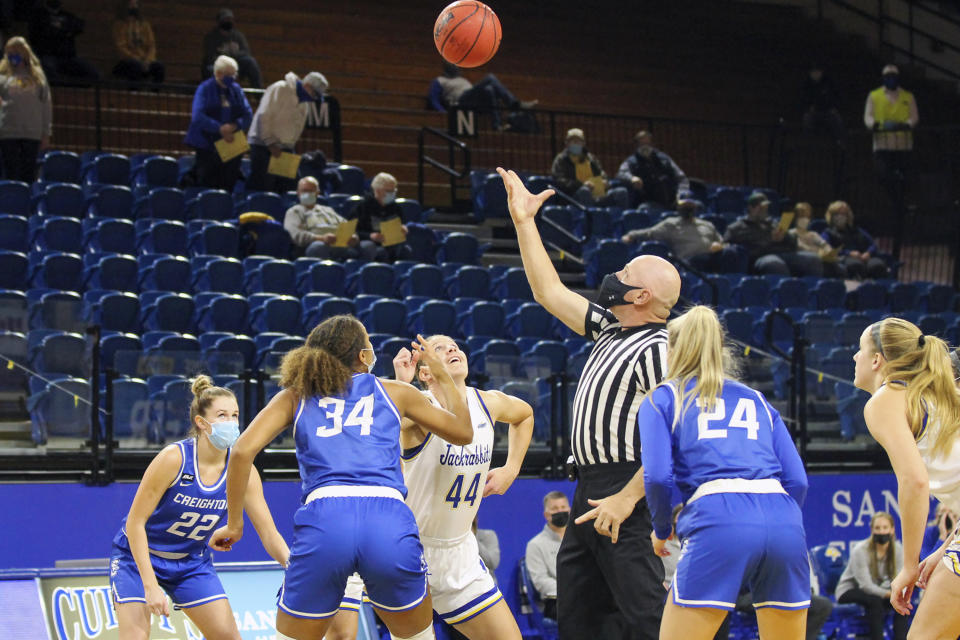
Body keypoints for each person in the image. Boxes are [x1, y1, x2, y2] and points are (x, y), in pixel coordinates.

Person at [498, 166, 681, 640]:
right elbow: (547, 291)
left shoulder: (658, 348)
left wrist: (626, 498)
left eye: (624, 274)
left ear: (641, 296)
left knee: (646, 617)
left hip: (626, 488)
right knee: (579, 617)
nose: (614, 276)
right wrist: (524, 222)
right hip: (588, 486)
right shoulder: (608, 328)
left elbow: (676, 439)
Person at [211, 317, 475, 640]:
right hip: (387, 518)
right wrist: (443, 375)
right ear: (363, 356)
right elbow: (463, 432)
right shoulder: (395, 392)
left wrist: (235, 524)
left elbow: (240, 452)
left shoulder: (297, 396)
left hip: (325, 519)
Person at [640, 305, 810, 640]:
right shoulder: (758, 400)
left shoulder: (664, 397)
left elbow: (658, 476)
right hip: (784, 519)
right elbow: (798, 480)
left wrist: (661, 529)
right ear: (721, 348)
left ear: (671, 350)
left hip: (719, 516)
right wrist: (775, 525)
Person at [109, 376, 290, 638]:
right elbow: (135, 523)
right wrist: (149, 585)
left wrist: (292, 566)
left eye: (235, 415)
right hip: (137, 559)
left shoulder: (244, 471)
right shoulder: (173, 459)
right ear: (201, 423)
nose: (231, 422)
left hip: (190, 562)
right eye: (222, 415)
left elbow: (269, 533)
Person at [392, 333, 533, 639]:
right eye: (439, 349)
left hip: (460, 551)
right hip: (412, 550)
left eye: (454, 345)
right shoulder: (420, 409)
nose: (453, 348)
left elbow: (524, 415)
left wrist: (511, 469)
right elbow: (385, 420)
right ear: (425, 372)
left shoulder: (487, 402)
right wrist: (402, 387)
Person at [852, 317, 960, 639]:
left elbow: (914, 482)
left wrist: (909, 565)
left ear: (877, 360)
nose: (854, 357)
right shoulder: (938, 392)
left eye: (859, 349)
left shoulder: (884, 401)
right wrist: (946, 547)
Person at [622, 191, 744, 273]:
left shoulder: (707, 224)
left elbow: (722, 243)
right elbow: (650, 233)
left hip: (713, 258)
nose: (687, 208)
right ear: (678, 207)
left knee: (731, 252)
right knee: (699, 261)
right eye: (684, 205)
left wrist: (720, 246)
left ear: (695, 206)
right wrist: (631, 235)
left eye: (689, 205)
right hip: (690, 262)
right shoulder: (671, 224)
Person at [247, 70, 328, 193]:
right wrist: (270, 142)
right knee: (262, 187)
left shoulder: (304, 105)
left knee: (286, 188)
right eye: (315, 94)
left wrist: (288, 148)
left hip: (284, 150)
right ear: (307, 86)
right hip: (262, 146)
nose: (314, 99)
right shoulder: (280, 88)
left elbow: (296, 130)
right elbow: (264, 116)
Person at [184, 55, 253, 192]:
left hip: (231, 142)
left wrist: (234, 126)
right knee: (208, 180)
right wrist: (219, 128)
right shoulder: (204, 89)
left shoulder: (236, 89)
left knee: (229, 180)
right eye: (229, 75)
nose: (232, 78)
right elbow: (198, 116)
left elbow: (247, 114)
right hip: (207, 143)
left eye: (234, 75)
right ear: (218, 73)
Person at [835, 512, 907, 640]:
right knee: (875, 602)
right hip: (850, 590)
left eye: (885, 528)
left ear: (892, 529)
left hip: (879, 591)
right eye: (877, 528)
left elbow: (900, 578)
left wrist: (898, 595)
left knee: (901, 603)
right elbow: (866, 586)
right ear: (872, 530)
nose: (882, 531)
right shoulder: (860, 550)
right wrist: (890, 594)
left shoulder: (898, 549)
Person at [724, 192, 823, 277]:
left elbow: (793, 242)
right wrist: (770, 239)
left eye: (766, 208)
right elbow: (726, 246)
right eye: (761, 208)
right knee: (775, 264)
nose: (764, 210)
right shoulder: (737, 228)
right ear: (751, 208)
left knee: (814, 260)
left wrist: (785, 236)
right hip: (761, 257)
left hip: (783, 253)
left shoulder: (773, 223)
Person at [863, 64, 917, 214]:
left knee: (905, 178)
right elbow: (868, 117)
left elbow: (914, 117)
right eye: (888, 76)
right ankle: (896, 203)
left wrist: (904, 125)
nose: (891, 79)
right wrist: (876, 125)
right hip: (882, 145)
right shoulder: (874, 95)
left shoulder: (908, 96)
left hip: (903, 145)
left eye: (893, 76)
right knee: (884, 175)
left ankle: (901, 205)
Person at [284, 176, 377, 261]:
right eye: (304, 191)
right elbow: (295, 235)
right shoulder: (294, 212)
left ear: (317, 193)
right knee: (318, 248)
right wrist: (321, 238)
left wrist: (354, 237)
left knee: (368, 246)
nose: (308, 194)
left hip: (341, 244)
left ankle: (358, 278)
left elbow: (347, 226)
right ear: (298, 193)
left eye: (311, 191)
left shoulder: (328, 210)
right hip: (319, 244)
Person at [427, 62, 536, 132]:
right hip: (460, 102)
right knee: (490, 77)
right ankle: (514, 104)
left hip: (473, 101)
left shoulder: (462, 79)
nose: (457, 69)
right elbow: (433, 99)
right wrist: (444, 112)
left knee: (489, 90)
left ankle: (496, 125)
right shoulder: (439, 80)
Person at [0, 36, 51, 183]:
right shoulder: (3, 76)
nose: (12, 56)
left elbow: (46, 104)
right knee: (11, 172)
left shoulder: (38, 77)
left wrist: (46, 132)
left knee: (27, 173)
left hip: (31, 132)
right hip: (8, 132)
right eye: (9, 52)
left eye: (16, 51)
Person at [550, 128, 628, 208]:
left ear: (583, 143)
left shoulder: (591, 158)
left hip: (597, 194)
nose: (576, 144)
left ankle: (618, 220)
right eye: (573, 141)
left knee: (621, 192)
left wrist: (605, 181)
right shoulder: (561, 159)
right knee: (585, 191)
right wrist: (581, 185)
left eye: (579, 141)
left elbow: (601, 173)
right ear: (567, 143)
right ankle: (589, 218)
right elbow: (559, 180)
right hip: (573, 196)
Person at [27, 0, 99, 83]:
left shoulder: (66, 15)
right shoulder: (38, 16)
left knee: (94, 74)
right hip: (48, 55)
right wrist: (65, 32)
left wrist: (59, 30)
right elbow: (43, 32)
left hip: (68, 57)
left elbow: (79, 26)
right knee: (49, 72)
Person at [525, 491, 570, 620]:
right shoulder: (535, 544)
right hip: (556, 600)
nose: (560, 511)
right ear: (546, 515)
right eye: (555, 509)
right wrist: (569, 590)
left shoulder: (581, 538)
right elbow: (540, 580)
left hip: (584, 594)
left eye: (563, 508)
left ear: (570, 510)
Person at [616, 131, 690, 208]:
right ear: (636, 145)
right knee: (644, 208)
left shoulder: (664, 158)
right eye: (642, 144)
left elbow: (681, 178)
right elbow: (621, 173)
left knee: (697, 206)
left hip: (673, 200)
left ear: (652, 144)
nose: (645, 147)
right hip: (649, 201)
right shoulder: (631, 161)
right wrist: (632, 178)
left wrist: (681, 193)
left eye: (648, 144)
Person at [350, 172, 413, 262]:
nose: (391, 194)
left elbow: (401, 224)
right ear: (377, 190)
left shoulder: (396, 208)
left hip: (391, 242)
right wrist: (370, 236)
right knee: (375, 249)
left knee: (405, 249)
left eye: (393, 191)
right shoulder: (362, 207)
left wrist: (403, 229)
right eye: (388, 191)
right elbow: (351, 232)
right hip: (369, 242)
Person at [820, 200, 889, 280]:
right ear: (831, 216)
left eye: (843, 214)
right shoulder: (827, 233)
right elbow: (828, 250)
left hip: (863, 257)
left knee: (878, 265)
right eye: (837, 214)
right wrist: (849, 253)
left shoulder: (857, 230)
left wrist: (868, 253)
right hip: (843, 258)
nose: (840, 217)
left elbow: (873, 244)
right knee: (855, 265)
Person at [202, 8, 261, 87]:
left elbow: (246, 52)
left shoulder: (238, 36)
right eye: (226, 19)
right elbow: (210, 56)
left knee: (250, 62)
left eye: (230, 19)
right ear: (220, 21)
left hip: (236, 64)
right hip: (218, 65)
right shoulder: (211, 37)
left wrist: (232, 57)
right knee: (209, 68)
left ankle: (258, 93)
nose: (229, 21)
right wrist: (225, 60)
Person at [112, 0, 164, 85]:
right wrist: (136, 58)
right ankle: (133, 91)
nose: (134, 7)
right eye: (131, 4)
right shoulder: (119, 25)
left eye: (135, 4)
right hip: (127, 60)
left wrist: (148, 60)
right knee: (135, 66)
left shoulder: (144, 25)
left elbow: (151, 45)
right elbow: (120, 47)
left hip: (144, 60)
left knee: (159, 67)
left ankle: (155, 93)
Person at [789, 202, 843, 278]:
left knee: (834, 264)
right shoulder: (791, 233)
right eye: (801, 216)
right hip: (804, 261)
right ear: (795, 217)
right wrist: (819, 251)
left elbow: (824, 244)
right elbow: (801, 247)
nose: (805, 219)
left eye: (807, 217)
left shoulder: (813, 234)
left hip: (821, 260)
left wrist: (828, 252)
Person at [801, 64, 843, 142]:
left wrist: (831, 107)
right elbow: (804, 99)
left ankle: (840, 142)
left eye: (818, 72)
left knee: (837, 119)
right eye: (813, 72)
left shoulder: (828, 83)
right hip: (813, 112)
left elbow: (835, 97)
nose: (815, 74)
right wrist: (809, 107)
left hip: (827, 111)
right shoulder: (806, 84)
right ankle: (807, 142)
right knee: (806, 119)